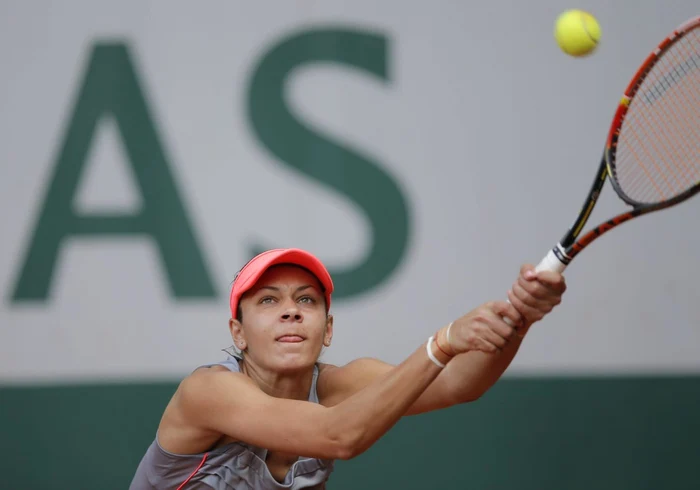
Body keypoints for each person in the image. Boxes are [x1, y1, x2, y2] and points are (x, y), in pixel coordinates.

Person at [130, 248, 566, 489]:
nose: (291, 312)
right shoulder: (207, 392)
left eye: (306, 300)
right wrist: (442, 343)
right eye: (268, 300)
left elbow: (457, 384)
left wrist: (520, 317)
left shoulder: (342, 384)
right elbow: (337, 436)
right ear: (238, 333)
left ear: (328, 328)